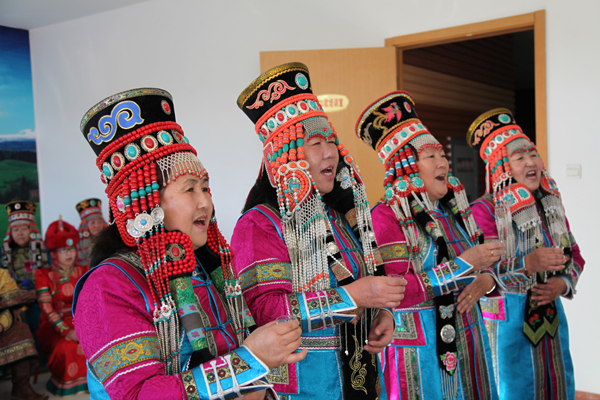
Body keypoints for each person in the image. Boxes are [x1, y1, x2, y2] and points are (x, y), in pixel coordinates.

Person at [73, 87, 306, 400]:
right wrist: (249, 361)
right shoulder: (107, 286)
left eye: (205, 188)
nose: (205, 203)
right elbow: (140, 395)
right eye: (190, 189)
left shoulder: (201, 266)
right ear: (147, 202)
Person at [233, 62, 403, 400]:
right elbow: (264, 311)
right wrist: (353, 297)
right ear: (285, 157)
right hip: (306, 385)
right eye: (315, 143)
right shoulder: (259, 224)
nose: (330, 153)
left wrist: (382, 313)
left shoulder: (338, 216)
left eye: (332, 141)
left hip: (360, 377)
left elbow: (362, 285)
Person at [356, 91, 502, 400]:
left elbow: (483, 263)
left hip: (469, 337)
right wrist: (463, 266)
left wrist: (486, 279)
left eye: (442, 155)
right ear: (407, 165)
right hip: (417, 352)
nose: (443, 162)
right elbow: (393, 290)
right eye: (430, 156)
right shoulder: (386, 216)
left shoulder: (453, 212)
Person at [467, 108, 584, 399]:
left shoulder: (549, 205)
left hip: (552, 319)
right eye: (519, 158)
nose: (531, 162)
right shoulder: (483, 211)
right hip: (507, 322)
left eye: (533, 153)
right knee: (512, 389)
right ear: (501, 167)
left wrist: (562, 283)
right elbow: (480, 272)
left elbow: (574, 254)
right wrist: (528, 264)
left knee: (559, 386)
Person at [35, 217, 88, 396]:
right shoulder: (43, 274)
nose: (69, 253)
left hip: (81, 320)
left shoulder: (84, 270)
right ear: (54, 253)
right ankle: (65, 385)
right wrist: (66, 331)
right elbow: (46, 308)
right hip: (54, 325)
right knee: (68, 347)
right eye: (63, 250)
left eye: (71, 249)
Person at [1, 201, 47, 343]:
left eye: (24, 229)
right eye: (15, 230)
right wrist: (15, 295)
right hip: (13, 300)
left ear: (31, 230)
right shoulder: (4, 255)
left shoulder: (44, 251)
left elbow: (52, 278)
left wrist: (36, 293)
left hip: (41, 297)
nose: (19, 233)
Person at [0, 267, 47, 400]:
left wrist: (1, 325)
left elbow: (12, 307)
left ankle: (21, 388)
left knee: (21, 330)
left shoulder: (1, 275)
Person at [75, 198, 108, 266]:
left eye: (100, 222)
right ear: (85, 225)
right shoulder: (77, 243)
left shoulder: (110, 239)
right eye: (92, 222)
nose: (97, 225)